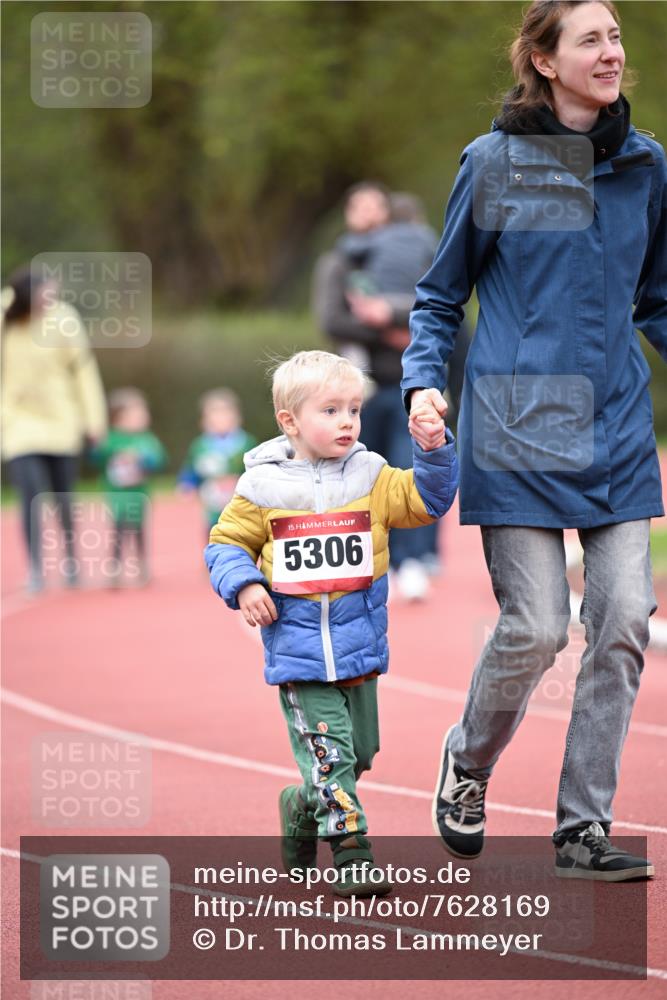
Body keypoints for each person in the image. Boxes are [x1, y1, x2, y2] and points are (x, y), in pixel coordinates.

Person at [403, 0, 665, 881]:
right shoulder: (493, 163)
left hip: (616, 426)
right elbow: (439, 296)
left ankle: (581, 826)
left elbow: (657, 298)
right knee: (539, 625)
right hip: (517, 424)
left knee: (622, 620)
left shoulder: (644, 165)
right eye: (590, 39)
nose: (610, 51)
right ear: (545, 61)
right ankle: (468, 762)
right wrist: (423, 382)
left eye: (615, 36)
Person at [205, 350, 458, 894]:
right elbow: (225, 543)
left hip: (358, 647)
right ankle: (351, 851)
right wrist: (245, 584)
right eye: (330, 411)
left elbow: (428, 501)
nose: (347, 421)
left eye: (354, 410)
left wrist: (434, 448)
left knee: (358, 754)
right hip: (298, 653)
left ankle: (300, 806)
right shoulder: (262, 486)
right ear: (290, 421)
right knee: (332, 755)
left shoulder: (372, 475)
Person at [313, 183, 454, 599]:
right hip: (357, 392)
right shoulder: (338, 262)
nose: (369, 213)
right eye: (360, 206)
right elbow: (331, 319)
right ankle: (370, 563)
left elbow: (437, 305)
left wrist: (390, 314)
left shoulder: (410, 256)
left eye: (376, 206)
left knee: (407, 468)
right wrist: (388, 332)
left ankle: (411, 561)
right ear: (347, 213)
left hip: (407, 384)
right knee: (356, 476)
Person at [1, 266, 107, 592]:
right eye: (43, 294)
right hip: (18, 421)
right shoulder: (4, 313)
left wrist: (94, 420)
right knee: (31, 494)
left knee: (63, 497)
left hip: (62, 420)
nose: (50, 300)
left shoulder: (64, 318)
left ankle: (71, 561)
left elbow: (83, 370)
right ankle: (36, 568)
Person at [90, 388, 167, 586]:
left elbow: (159, 460)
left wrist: (141, 458)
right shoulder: (111, 439)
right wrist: (97, 446)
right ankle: (115, 569)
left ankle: (141, 565)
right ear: (119, 418)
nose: (142, 418)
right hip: (117, 495)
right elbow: (96, 459)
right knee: (118, 529)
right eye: (135, 415)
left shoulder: (146, 440)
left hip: (139, 494)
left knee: (139, 529)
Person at [178, 388, 256, 536]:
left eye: (225, 413)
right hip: (213, 510)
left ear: (236, 417)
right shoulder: (200, 446)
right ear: (204, 420)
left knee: (240, 539)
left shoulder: (246, 443)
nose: (220, 418)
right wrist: (187, 484)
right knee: (213, 537)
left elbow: (255, 472)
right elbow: (191, 469)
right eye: (215, 413)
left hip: (240, 509)